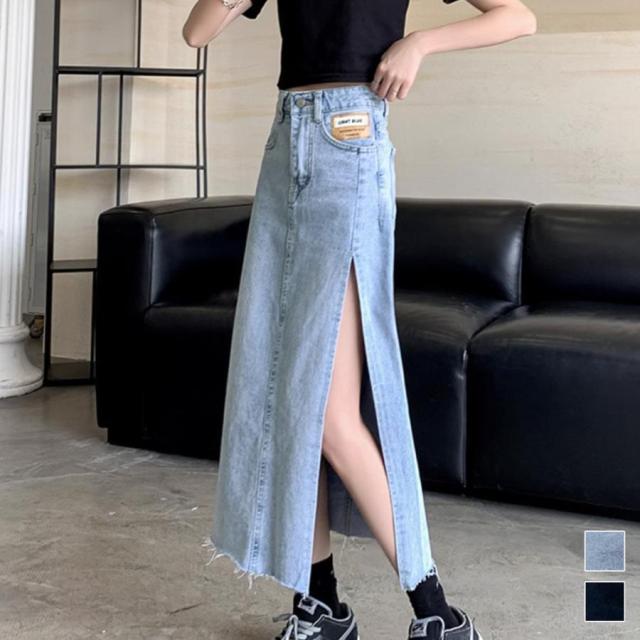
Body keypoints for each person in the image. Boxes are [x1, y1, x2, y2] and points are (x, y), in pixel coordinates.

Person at [183, 1, 536, 638]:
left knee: (329, 415)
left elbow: (517, 17)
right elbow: (197, 30)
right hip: (285, 145)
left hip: (347, 140)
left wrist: (419, 43)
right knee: (293, 405)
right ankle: (320, 605)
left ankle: (440, 614)